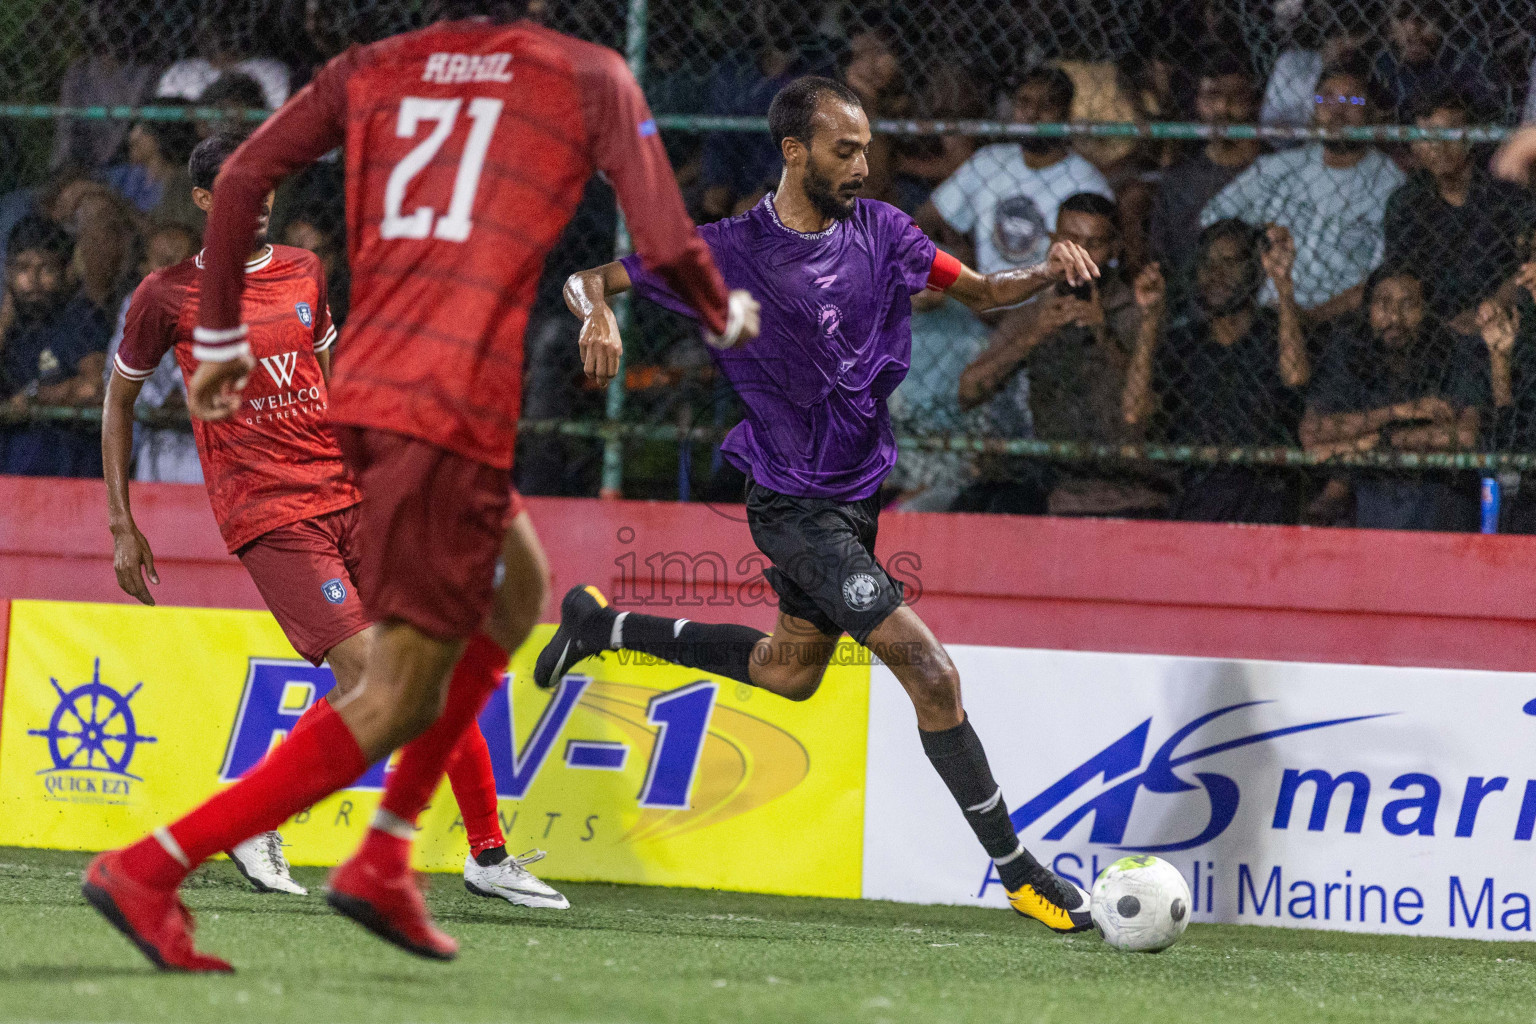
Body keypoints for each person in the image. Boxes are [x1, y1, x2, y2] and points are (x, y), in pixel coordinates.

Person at [83, 1, 743, 972]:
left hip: (368, 410)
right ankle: (160, 864)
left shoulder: (372, 67)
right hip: (442, 402)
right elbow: (672, 246)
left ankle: (397, 854)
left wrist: (220, 339)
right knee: (395, 689)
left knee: (516, 592)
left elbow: (250, 175)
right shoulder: (586, 70)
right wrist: (736, 326)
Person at [558, 76, 1103, 935]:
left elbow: (987, 291)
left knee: (790, 673)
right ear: (794, 152)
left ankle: (604, 630)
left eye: (866, 146)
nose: (863, 163)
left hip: (857, 499)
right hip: (791, 504)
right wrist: (598, 316)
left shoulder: (885, 230)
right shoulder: (725, 250)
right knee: (933, 674)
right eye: (844, 149)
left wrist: (1047, 267)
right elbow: (590, 279)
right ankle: (1020, 872)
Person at [105, 133, 570, 908]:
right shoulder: (168, 296)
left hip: (352, 496)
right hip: (270, 513)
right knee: (385, 678)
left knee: (433, 667)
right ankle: (260, 821)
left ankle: (487, 854)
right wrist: (122, 523)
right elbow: (119, 400)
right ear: (200, 201)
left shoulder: (304, 271)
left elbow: (331, 383)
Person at [956, 192, 1165, 518]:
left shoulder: (1139, 309)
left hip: (1132, 484)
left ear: (1113, 250)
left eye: (1093, 244)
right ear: (1053, 242)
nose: (1080, 257)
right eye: (1071, 242)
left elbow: (1145, 413)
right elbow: (968, 391)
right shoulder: (1036, 311)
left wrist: (1102, 332)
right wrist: (1034, 337)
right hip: (1057, 482)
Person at [1124, 220, 1309, 523]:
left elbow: (1295, 377)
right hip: (1194, 492)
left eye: (1229, 262)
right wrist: (1149, 320)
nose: (1215, 275)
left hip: (1266, 493)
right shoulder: (1184, 342)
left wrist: (1283, 287)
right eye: (1206, 264)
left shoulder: (1277, 333)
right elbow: (1134, 411)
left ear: (1254, 269)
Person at [1203, 56, 1406, 323]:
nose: (1337, 110)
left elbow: (1382, 277)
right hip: (1263, 316)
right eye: (1326, 99)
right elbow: (1213, 217)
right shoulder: (1281, 166)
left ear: (1372, 111)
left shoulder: (1390, 183)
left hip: (1340, 324)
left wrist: (1311, 318)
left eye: (1353, 100)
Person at [1300, 266, 1486, 530]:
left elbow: (1465, 436)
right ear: (1367, 310)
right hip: (1373, 512)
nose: (1395, 317)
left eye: (1408, 304)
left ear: (1427, 311)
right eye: (1383, 303)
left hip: (1442, 510)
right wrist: (1399, 412)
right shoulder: (1352, 354)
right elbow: (1313, 432)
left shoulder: (1454, 353)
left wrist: (1375, 441)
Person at [917, 66, 1112, 276]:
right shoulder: (990, 160)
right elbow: (924, 219)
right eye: (1024, 102)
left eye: (1047, 105)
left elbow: (1099, 266)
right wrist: (957, 257)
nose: (1032, 113)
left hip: (1049, 299)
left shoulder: (1087, 182)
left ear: (1065, 114)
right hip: (984, 295)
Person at [1382, 92, 1536, 331]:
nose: (1437, 145)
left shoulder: (1505, 192)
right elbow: (1402, 275)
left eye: (1449, 133)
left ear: (1472, 135)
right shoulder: (1407, 203)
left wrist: (1493, 306)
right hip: (1431, 326)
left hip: (1506, 315)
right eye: (1424, 136)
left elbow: (1529, 263)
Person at [1148, 50, 1264, 310]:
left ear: (1255, 102)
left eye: (1236, 97)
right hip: (1190, 306)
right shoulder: (1179, 180)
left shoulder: (1277, 171)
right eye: (1213, 96)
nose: (1223, 108)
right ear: (1198, 102)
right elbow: (1162, 256)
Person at [0, 215, 112, 477]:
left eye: (45, 268)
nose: (33, 279)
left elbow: (95, 386)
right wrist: (4, 324)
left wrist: (35, 397)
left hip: (68, 459)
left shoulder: (80, 318)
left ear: (65, 272)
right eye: (23, 269)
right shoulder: (11, 326)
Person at [103, 222, 202, 484]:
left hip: (208, 446)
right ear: (146, 267)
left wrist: (186, 394)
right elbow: (114, 374)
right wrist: (157, 400)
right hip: (154, 445)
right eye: (164, 261)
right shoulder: (134, 304)